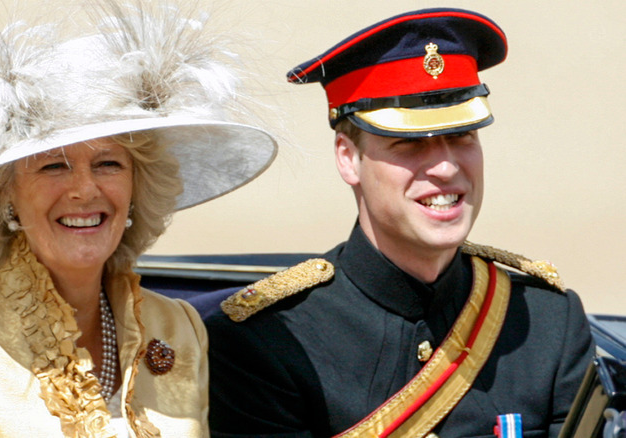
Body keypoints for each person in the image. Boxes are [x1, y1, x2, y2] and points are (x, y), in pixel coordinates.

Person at [0, 1, 276, 437]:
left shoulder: (177, 326)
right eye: (53, 166)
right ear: (7, 197)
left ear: (138, 187)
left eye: (109, 164)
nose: (84, 189)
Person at [205, 8, 594, 437]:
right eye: (409, 143)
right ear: (348, 158)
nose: (446, 167)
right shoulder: (269, 342)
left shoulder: (547, 324)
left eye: (463, 136)